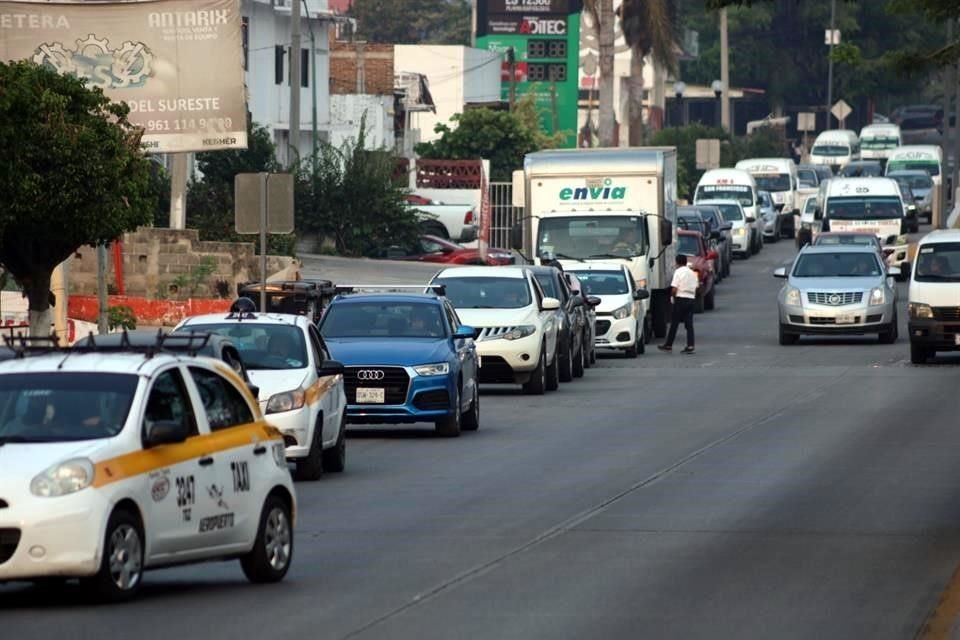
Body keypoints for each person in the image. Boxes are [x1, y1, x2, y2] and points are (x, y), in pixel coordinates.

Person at [658, 254, 698, 354]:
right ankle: (690, 345)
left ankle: (668, 345)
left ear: (677, 262)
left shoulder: (678, 272)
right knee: (689, 325)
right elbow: (696, 286)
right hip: (691, 299)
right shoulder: (692, 273)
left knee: (674, 323)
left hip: (680, 299)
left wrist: (672, 296)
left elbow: (674, 288)